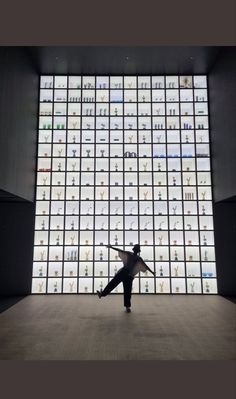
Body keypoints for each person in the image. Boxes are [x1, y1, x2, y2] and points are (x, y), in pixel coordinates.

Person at [97, 244, 155, 313]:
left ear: (138, 250)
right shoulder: (129, 254)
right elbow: (120, 250)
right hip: (124, 272)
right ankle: (102, 294)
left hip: (129, 275)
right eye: (135, 248)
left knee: (127, 291)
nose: (136, 250)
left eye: (137, 249)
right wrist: (111, 247)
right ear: (134, 249)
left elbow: (145, 265)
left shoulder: (139, 258)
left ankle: (127, 307)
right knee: (113, 283)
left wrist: (152, 272)